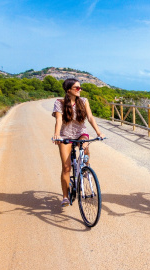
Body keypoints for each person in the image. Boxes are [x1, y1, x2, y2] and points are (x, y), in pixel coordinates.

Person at [52, 78, 105, 207]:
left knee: (85, 147)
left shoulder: (84, 101)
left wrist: (99, 132)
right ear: (68, 90)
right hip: (65, 135)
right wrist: (57, 134)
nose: (79, 90)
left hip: (81, 132)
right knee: (66, 167)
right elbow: (59, 120)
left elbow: (91, 117)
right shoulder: (60, 103)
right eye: (76, 88)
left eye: (80, 87)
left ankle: (85, 167)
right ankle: (65, 197)